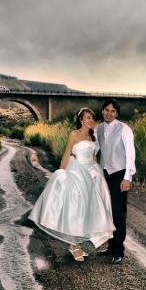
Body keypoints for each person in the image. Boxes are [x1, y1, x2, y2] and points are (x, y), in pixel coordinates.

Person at [28, 108, 115, 261]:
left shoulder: (93, 137)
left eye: (92, 118)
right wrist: (61, 174)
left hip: (91, 173)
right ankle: (74, 245)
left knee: (88, 208)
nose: (90, 121)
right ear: (81, 120)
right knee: (76, 207)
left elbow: (93, 158)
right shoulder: (73, 135)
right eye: (87, 118)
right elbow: (67, 153)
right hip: (76, 171)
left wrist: (98, 174)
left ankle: (78, 243)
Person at [95, 98, 135, 264]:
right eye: (106, 110)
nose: (109, 113)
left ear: (117, 113)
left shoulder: (124, 129)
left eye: (112, 111)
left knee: (118, 212)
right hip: (104, 173)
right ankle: (111, 247)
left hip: (119, 173)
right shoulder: (98, 129)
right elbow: (95, 149)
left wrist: (127, 177)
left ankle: (119, 250)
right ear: (102, 111)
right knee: (107, 211)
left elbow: (130, 154)